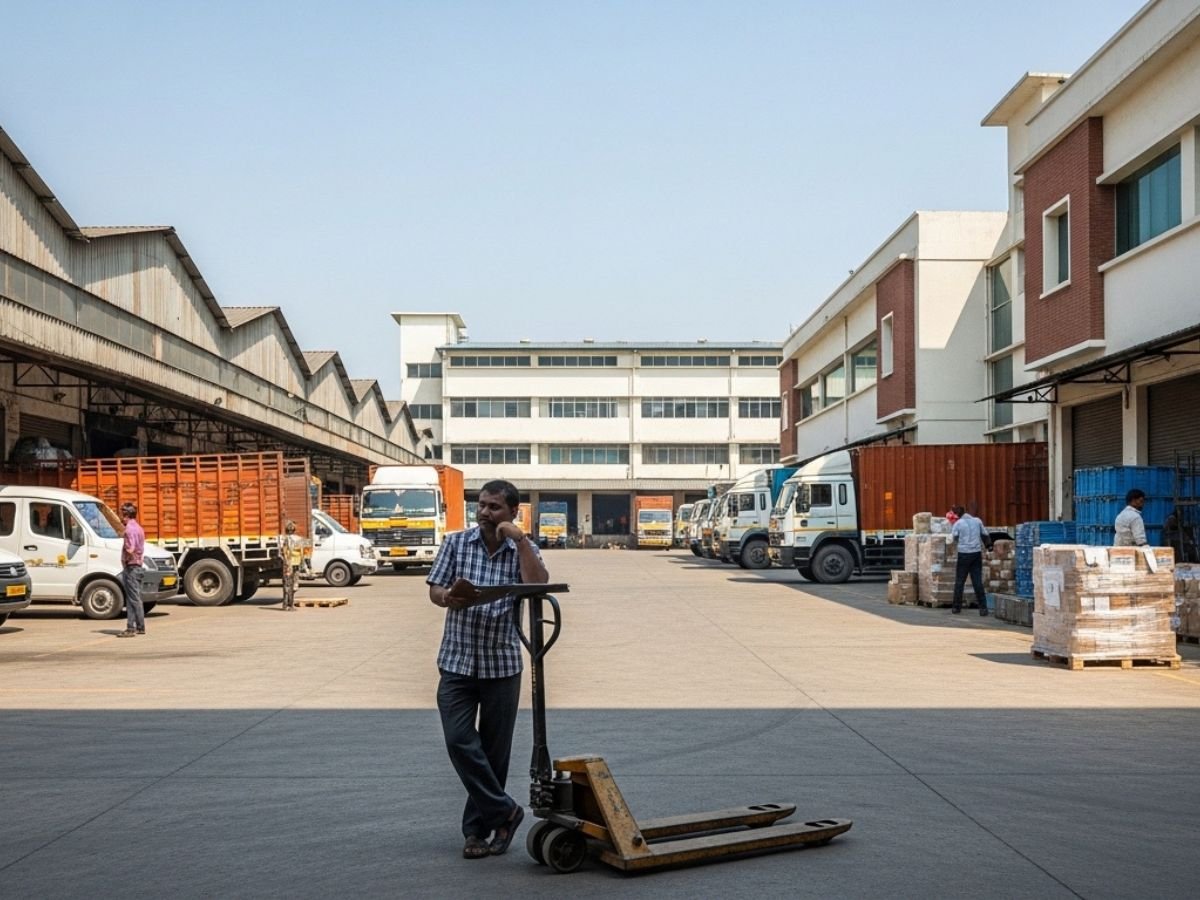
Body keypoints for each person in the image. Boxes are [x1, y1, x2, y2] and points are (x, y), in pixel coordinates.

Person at [427, 480, 549, 860]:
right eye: (481, 505)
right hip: (457, 663)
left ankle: (478, 832)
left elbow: (537, 584)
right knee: (459, 741)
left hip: (502, 665)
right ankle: (506, 812)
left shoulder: (522, 549)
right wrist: (448, 597)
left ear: (512, 512)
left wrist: (521, 540)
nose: (484, 513)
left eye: (494, 507)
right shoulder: (455, 543)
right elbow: (434, 589)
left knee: (495, 755)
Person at [950, 502, 991, 616]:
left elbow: (953, 537)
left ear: (958, 514)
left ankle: (956, 608)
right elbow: (985, 535)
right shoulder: (977, 521)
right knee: (977, 581)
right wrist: (989, 546)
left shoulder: (958, 523)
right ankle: (983, 609)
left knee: (960, 582)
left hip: (963, 555)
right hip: (976, 554)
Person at [116, 502, 146, 637]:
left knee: (132, 599)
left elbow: (131, 548)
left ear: (126, 515)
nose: (121, 517)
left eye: (122, 514)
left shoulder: (129, 530)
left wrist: (126, 559)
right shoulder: (139, 528)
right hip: (138, 566)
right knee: (135, 597)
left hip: (132, 566)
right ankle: (140, 626)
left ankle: (131, 628)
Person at [281, 520, 303, 610]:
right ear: (294, 530)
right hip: (296, 564)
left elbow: (284, 552)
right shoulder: (299, 539)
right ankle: (291, 605)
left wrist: (287, 562)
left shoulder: (286, 539)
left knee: (287, 584)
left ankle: (285, 605)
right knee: (294, 584)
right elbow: (302, 553)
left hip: (288, 564)